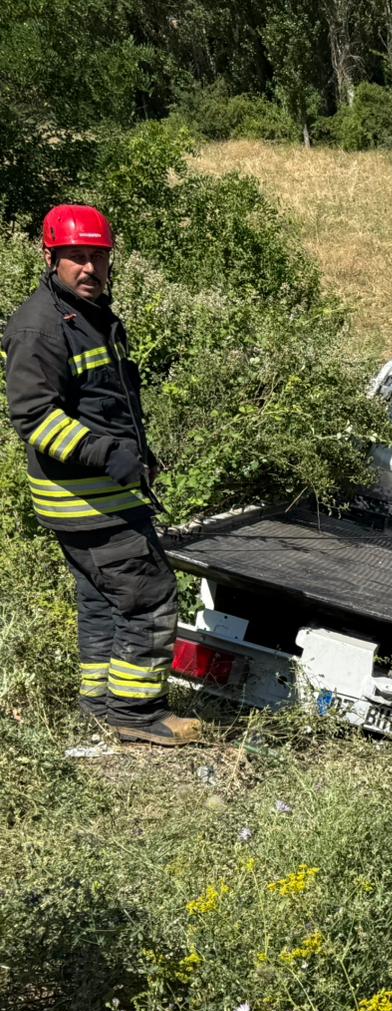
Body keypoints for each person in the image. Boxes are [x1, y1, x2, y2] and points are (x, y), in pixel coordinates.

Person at [2, 204, 200, 746]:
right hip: (89, 499)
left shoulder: (88, 315)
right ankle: (137, 712)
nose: (90, 267)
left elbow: (106, 402)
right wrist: (109, 456)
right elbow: (33, 418)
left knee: (101, 600)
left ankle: (99, 703)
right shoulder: (40, 327)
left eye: (99, 256)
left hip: (100, 494)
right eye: (77, 257)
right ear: (51, 257)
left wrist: (138, 455)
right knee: (149, 595)